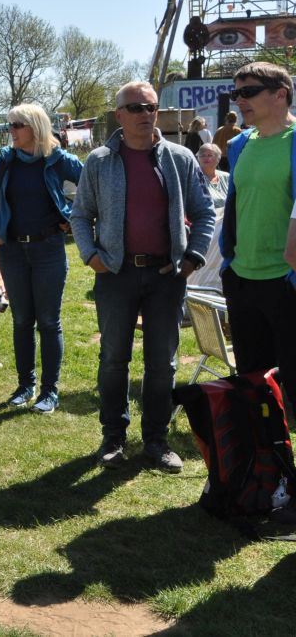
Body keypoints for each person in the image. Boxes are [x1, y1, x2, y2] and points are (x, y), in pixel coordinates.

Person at [72, 81, 214, 473]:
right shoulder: (99, 161)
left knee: (162, 363)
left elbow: (204, 212)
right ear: (119, 115)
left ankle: (156, 440)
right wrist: (91, 256)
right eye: (135, 108)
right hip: (116, 274)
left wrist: (193, 257)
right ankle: (113, 437)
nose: (145, 114)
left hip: (167, 275)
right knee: (113, 359)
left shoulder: (180, 158)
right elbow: (80, 214)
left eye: (150, 107)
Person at [0, 102, 84, 415]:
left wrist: (72, 217)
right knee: (22, 320)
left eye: (17, 125)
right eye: (9, 125)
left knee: (49, 322)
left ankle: (49, 391)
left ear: (35, 127)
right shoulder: (5, 160)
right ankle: (25, 386)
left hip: (48, 250)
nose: (10, 131)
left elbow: (92, 187)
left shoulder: (59, 160)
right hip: (12, 251)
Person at [218, 62, 296, 410]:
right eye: (235, 93)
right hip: (242, 279)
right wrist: (230, 264)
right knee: (253, 388)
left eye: (248, 92)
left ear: (280, 94)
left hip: (286, 280)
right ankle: (263, 447)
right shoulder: (239, 144)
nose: (239, 100)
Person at [197, 143, 230, 209]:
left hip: (227, 214)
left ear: (218, 158)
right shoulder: (195, 177)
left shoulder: (227, 177)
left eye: (209, 155)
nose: (206, 158)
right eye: (202, 155)